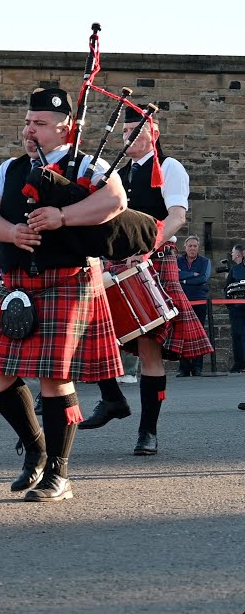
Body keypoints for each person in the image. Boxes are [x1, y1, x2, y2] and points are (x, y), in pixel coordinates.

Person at [0, 87, 127, 502]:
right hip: (17, 282)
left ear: (66, 128)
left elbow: (115, 201)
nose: (29, 130)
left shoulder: (89, 166)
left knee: (56, 378)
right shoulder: (10, 168)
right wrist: (11, 232)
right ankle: (36, 447)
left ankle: (59, 473)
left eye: (39, 124)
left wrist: (62, 216)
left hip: (68, 278)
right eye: (27, 122)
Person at [78, 109, 212, 455]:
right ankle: (112, 399)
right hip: (114, 263)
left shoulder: (169, 167)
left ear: (153, 132)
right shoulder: (117, 175)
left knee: (150, 349)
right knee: (89, 332)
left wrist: (146, 250)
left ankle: (147, 432)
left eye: (136, 131)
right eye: (124, 133)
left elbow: (177, 216)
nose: (129, 137)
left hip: (153, 261)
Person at [175, 235, 212, 377]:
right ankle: (184, 368)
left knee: (198, 334)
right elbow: (175, 276)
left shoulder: (205, 262)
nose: (192, 248)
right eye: (190, 246)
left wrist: (184, 279)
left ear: (198, 247)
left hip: (199, 301)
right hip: (182, 301)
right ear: (185, 247)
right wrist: (192, 275)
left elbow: (202, 278)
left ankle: (197, 367)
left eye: (195, 246)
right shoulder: (178, 261)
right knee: (182, 334)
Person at [225, 243, 245, 373]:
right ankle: (239, 363)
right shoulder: (235, 269)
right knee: (237, 335)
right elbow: (227, 288)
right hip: (237, 308)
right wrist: (230, 306)